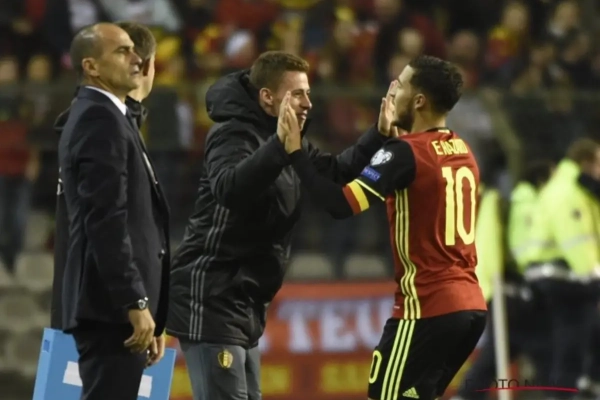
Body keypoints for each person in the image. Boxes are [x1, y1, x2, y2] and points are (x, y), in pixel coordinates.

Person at [167, 50, 395, 400]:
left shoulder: (283, 137)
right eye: (298, 94)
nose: (308, 103)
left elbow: (335, 172)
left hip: (244, 301)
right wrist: (279, 146)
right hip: (211, 295)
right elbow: (229, 189)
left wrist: (378, 134)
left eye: (309, 93)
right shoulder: (233, 134)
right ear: (267, 97)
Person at [278, 55, 488, 400]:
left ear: (419, 101)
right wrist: (385, 138)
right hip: (470, 308)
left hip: (426, 307)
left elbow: (340, 205)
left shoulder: (405, 153)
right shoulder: (462, 149)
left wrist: (295, 152)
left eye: (400, 85)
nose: (392, 92)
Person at [55, 22, 170, 400]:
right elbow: (106, 220)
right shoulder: (99, 119)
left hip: (116, 308)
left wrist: (150, 309)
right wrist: (134, 303)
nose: (137, 59)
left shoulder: (111, 116)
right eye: (122, 51)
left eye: (135, 51)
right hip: (110, 309)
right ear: (91, 67)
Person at [525, 138, 600, 397]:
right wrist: (593, 277)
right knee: (571, 344)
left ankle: (583, 387)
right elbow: (576, 240)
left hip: (559, 276)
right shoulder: (569, 191)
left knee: (579, 338)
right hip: (562, 276)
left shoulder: (570, 188)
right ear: (587, 162)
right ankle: (565, 393)